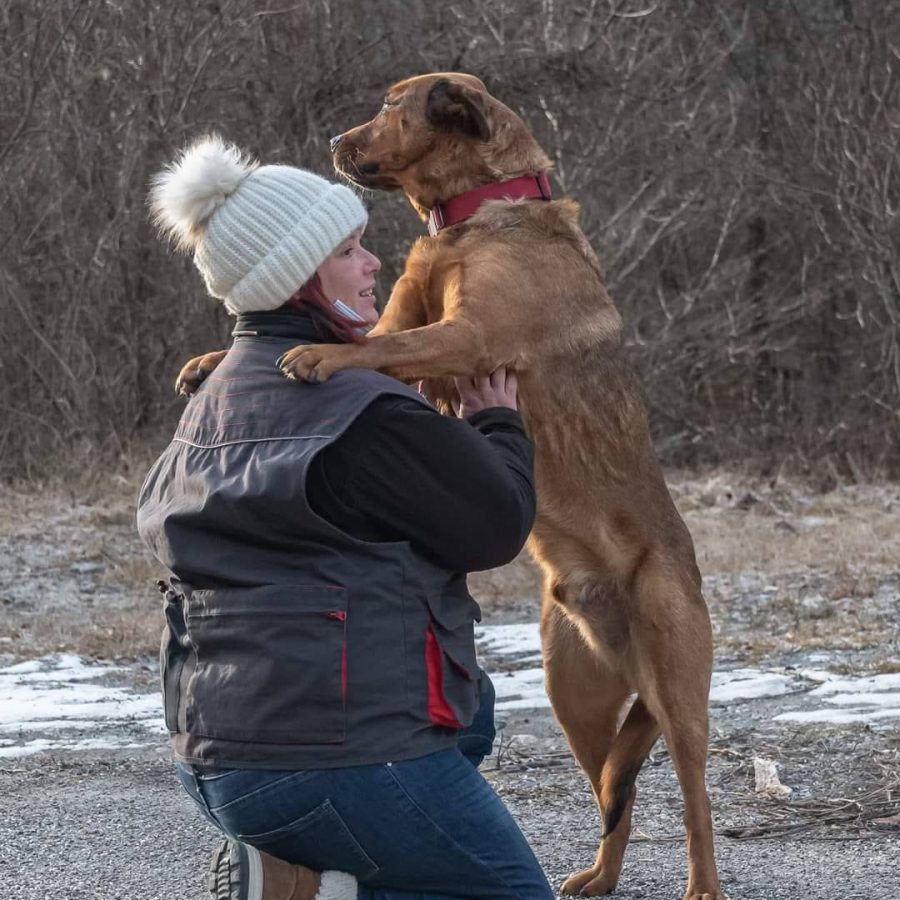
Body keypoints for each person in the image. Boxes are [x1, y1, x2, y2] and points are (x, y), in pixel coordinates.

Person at [136, 135, 554, 900]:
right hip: (339, 761)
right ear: (297, 276)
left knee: (473, 722)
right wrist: (496, 423)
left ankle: (310, 886)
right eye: (351, 251)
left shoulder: (210, 398)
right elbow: (496, 525)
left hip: (215, 761)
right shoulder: (362, 412)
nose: (374, 266)